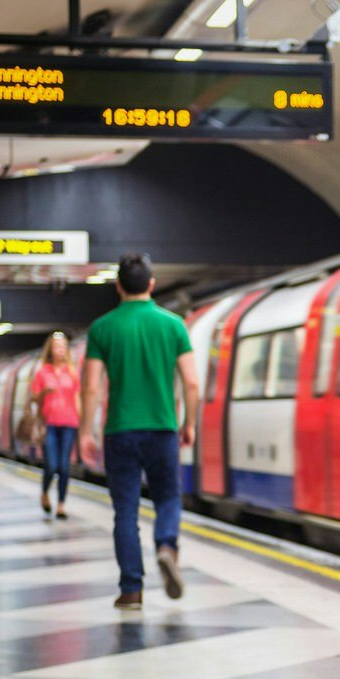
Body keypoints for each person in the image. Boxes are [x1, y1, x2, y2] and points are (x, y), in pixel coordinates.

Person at [79, 254, 199, 611]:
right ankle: (166, 546)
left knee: (125, 512)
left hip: (120, 431)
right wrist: (189, 423)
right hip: (162, 428)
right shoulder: (174, 325)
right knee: (168, 498)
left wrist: (86, 430)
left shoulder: (102, 328)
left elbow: (90, 387)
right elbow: (192, 383)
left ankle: (131, 589)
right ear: (152, 284)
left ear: (118, 286)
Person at [30, 332, 83, 518]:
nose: (60, 350)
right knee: (51, 465)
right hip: (49, 423)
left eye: (63, 347)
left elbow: (77, 397)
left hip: (69, 422)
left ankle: (61, 504)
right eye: (57, 346)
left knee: (64, 466)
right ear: (50, 349)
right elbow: (34, 397)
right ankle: (44, 492)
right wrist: (44, 392)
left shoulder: (72, 372)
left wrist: (81, 423)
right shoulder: (42, 372)